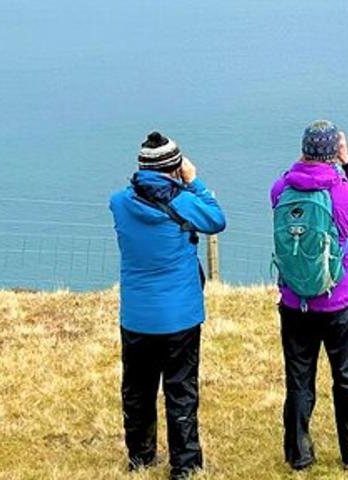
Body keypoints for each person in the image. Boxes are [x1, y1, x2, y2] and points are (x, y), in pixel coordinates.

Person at [109, 131, 227, 480]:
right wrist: (194, 182)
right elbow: (216, 219)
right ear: (175, 166)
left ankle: (141, 458)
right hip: (180, 316)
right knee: (181, 390)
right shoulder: (184, 202)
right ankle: (185, 465)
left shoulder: (119, 202)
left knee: (137, 389)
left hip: (136, 316)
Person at [271, 120, 348, 471]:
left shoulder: (280, 190)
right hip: (340, 302)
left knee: (298, 378)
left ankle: (298, 455)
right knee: (347, 376)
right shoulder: (347, 193)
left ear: (304, 149)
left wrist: (302, 164)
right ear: (334, 150)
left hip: (295, 303)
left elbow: (287, 181)